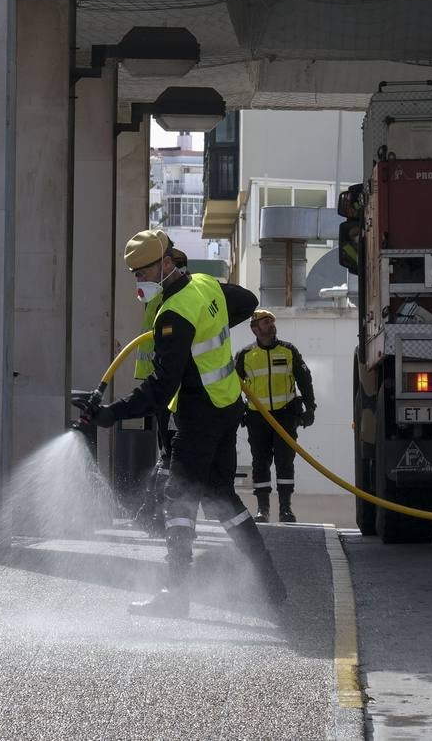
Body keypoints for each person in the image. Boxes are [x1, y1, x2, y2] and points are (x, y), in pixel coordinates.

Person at [73, 230, 287, 618]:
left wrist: (109, 414)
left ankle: (176, 594)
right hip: (226, 406)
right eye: (135, 275)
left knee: (179, 498)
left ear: (167, 263)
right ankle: (269, 582)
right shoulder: (204, 284)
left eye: (143, 273)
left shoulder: (173, 314)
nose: (139, 282)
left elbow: (159, 388)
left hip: (200, 414)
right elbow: (246, 300)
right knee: (222, 496)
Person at [234, 309, 316, 523]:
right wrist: (237, 411)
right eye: (265, 321)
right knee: (260, 462)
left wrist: (310, 408)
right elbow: (233, 387)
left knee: (285, 461)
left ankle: (285, 509)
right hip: (257, 417)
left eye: (272, 321)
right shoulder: (245, 355)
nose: (271, 324)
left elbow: (304, 380)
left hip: (285, 415)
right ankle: (263, 510)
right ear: (254, 328)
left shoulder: (289, 351)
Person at [130, 235, 186, 537]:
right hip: (165, 387)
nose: (141, 279)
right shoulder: (165, 296)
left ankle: (152, 512)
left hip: (163, 385)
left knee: (168, 452)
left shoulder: (168, 296)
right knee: (169, 453)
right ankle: (155, 513)